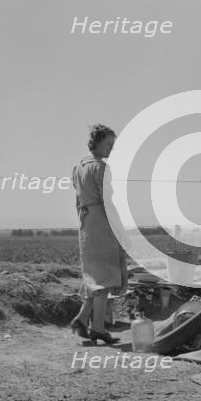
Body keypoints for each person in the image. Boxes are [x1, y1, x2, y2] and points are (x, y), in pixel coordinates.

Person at [70, 123, 129, 344]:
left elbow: (77, 201)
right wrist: (118, 228)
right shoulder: (101, 168)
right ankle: (98, 329)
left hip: (86, 222)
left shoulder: (78, 167)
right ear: (96, 143)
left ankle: (82, 319)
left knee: (95, 275)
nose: (111, 149)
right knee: (104, 276)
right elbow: (108, 203)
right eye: (108, 145)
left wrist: (84, 220)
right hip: (101, 223)